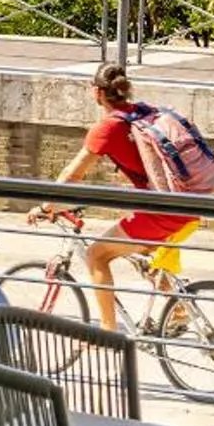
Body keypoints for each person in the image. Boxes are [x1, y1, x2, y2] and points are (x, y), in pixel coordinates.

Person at [33, 62, 201, 333]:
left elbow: (71, 174)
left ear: (97, 92)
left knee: (96, 255)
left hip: (162, 212)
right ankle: (179, 307)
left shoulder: (108, 127)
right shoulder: (142, 112)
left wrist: (45, 206)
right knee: (141, 255)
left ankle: (108, 332)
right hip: (184, 203)